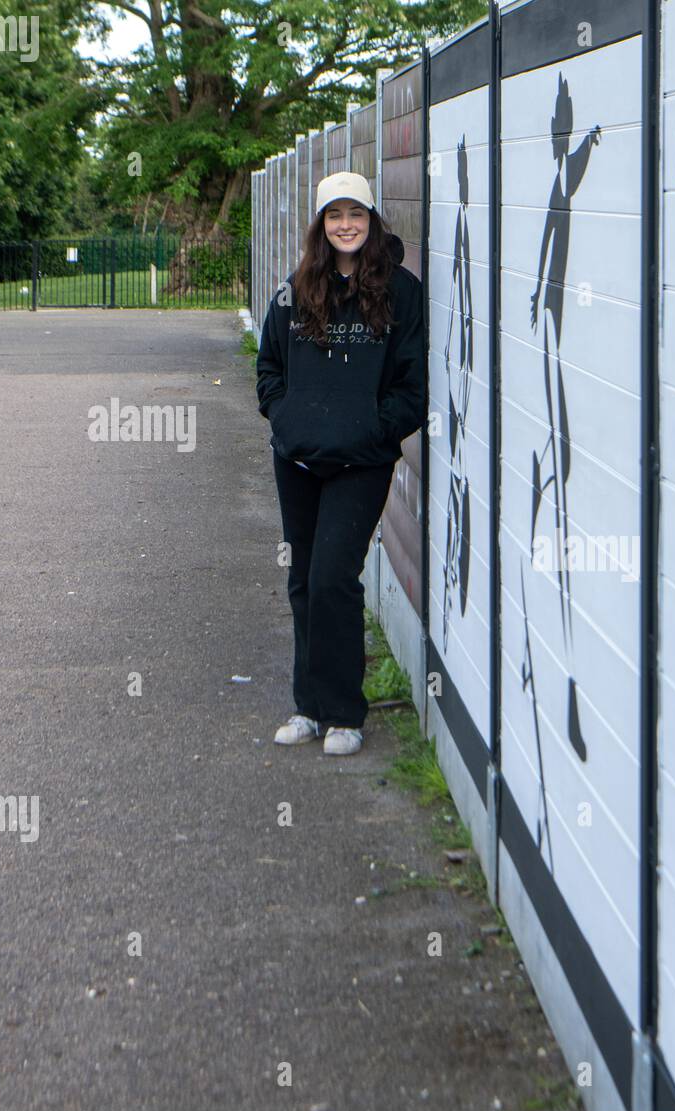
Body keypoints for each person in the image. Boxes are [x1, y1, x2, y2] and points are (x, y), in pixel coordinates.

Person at [255, 171, 425, 755]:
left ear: (372, 220)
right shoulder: (295, 288)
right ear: (320, 225)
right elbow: (268, 371)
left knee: (333, 578)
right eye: (334, 215)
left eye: (355, 214)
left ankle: (346, 714)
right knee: (303, 580)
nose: (345, 225)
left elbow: (411, 384)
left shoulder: (400, 290)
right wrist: (287, 421)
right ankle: (308, 707)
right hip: (299, 460)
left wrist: (375, 433)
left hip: (362, 462)